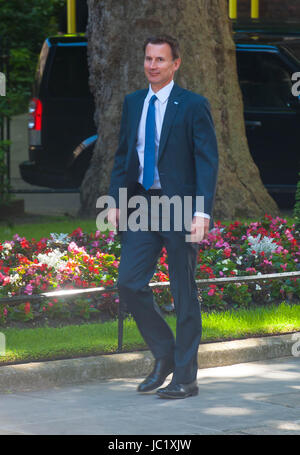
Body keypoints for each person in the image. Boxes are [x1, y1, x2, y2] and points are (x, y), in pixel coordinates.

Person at [108, 35, 218, 399]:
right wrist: (116, 201)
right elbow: (124, 155)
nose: (152, 65)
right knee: (129, 283)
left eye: (160, 59)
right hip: (142, 205)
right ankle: (166, 355)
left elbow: (206, 161)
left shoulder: (192, 105)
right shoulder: (134, 103)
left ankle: (186, 378)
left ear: (175, 64)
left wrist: (201, 211)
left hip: (181, 208)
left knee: (183, 292)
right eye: (148, 59)